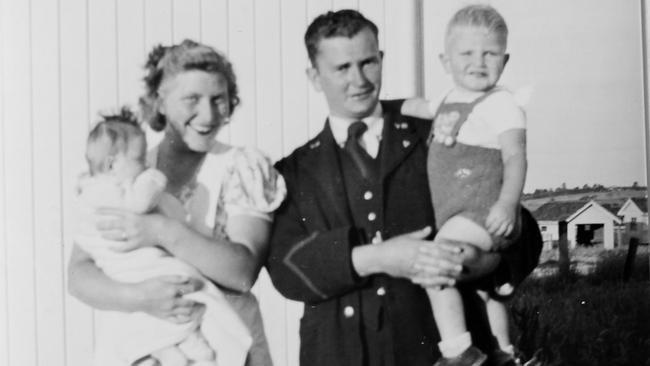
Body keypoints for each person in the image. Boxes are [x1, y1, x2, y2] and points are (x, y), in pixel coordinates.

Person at [265, 9, 541, 366]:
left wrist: (481, 262)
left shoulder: (439, 134)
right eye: (341, 68)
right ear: (314, 77)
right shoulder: (295, 171)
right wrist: (374, 258)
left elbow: (525, 232)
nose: (359, 79)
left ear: (381, 60)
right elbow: (284, 267)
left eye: (368, 63)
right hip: (341, 354)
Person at [68, 39, 286, 366]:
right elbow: (79, 273)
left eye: (219, 99)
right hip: (147, 345)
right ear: (160, 102)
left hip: (226, 347)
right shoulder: (128, 169)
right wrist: (140, 297)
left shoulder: (241, 165)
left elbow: (242, 271)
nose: (208, 114)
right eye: (191, 99)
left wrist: (158, 229)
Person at [74, 108, 252, 366]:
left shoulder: (237, 162)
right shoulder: (108, 191)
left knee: (181, 308)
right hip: (134, 274)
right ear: (112, 164)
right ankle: (180, 351)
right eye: (139, 159)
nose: (146, 165)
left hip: (158, 281)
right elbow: (139, 203)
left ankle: (177, 351)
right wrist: (155, 179)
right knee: (169, 307)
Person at [401, 5, 527, 366]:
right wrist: (385, 106)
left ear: (504, 60)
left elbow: (515, 157)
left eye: (490, 53)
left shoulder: (503, 103)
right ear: (446, 61)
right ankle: (503, 350)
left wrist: (507, 202)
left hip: (483, 210)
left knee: (434, 265)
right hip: (457, 213)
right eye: (467, 53)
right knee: (482, 291)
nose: (478, 62)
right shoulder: (448, 99)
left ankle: (458, 351)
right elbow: (422, 108)